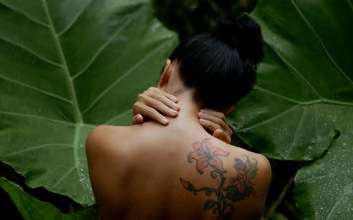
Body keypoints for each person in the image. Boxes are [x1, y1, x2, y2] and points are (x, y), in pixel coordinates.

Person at [86, 14, 272, 220]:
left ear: (167, 72)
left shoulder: (101, 140)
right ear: (228, 109)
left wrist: (139, 124)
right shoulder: (254, 170)